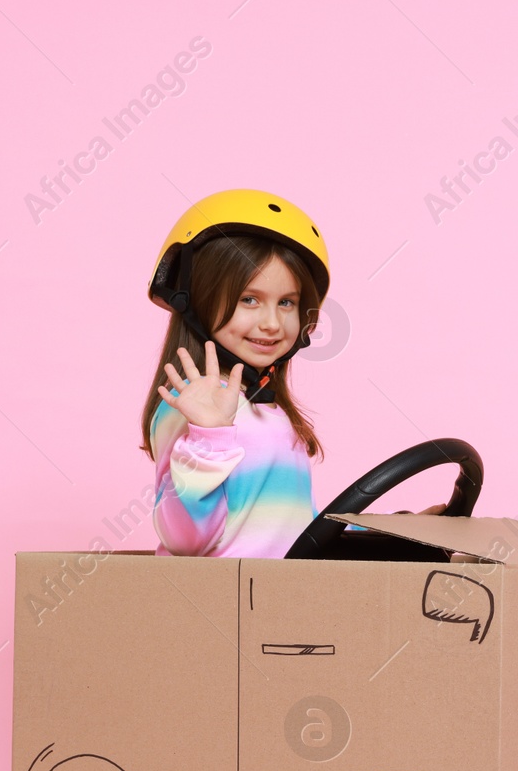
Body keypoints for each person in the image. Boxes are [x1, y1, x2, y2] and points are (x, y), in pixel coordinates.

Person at [139, 188, 439, 557]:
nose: (271, 323)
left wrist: (396, 533)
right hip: (223, 607)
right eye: (249, 299)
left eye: (286, 303)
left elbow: (297, 528)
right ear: (195, 299)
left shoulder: (270, 411)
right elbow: (184, 541)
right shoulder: (192, 403)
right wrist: (209, 437)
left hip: (279, 600)